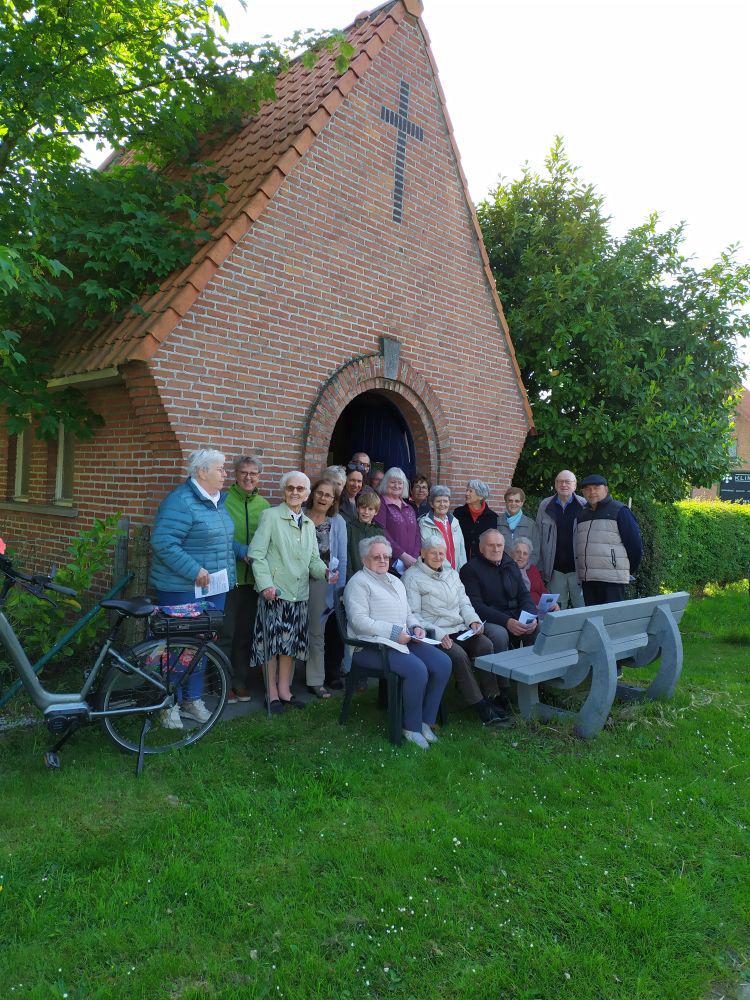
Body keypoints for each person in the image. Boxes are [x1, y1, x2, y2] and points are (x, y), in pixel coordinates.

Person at [150, 448, 235, 729]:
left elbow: (219, 541)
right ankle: (167, 704)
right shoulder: (181, 502)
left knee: (201, 647)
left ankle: (192, 700)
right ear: (201, 472)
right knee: (177, 647)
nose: (225, 474)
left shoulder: (217, 502)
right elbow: (163, 543)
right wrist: (194, 570)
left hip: (213, 588)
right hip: (182, 588)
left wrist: (245, 552)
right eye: (220, 469)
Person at [344, 536, 452, 749]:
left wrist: (415, 627)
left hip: (402, 640)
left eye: (386, 556)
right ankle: (410, 728)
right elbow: (359, 622)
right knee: (417, 669)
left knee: (442, 663)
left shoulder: (394, 580)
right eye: (377, 557)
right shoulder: (358, 583)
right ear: (365, 560)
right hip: (369, 646)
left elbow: (408, 613)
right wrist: (394, 633)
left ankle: (424, 721)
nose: (383, 560)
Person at [403, 536, 513, 727]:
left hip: (460, 628)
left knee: (486, 645)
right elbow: (413, 615)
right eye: (433, 552)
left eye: (441, 553)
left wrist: (473, 622)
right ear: (422, 553)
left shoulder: (451, 573)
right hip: (436, 634)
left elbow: (464, 602)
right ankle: (479, 705)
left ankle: (492, 697)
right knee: (459, 655)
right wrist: (437, 633)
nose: (438, 556)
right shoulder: (412, 577)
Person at [249, 471, 330, 713]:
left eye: (300, 489)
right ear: (284, 491)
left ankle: (284, 690)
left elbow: (314, 560)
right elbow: (256, 554)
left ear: (307, 494)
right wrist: (265, 585)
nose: (295, 493)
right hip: (274, 594)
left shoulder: (308, 524)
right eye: (290, 488)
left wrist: (325, 572)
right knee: (271, 647)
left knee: (290, 647)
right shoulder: (271, 516)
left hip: (299, 595)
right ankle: (271, 693)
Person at [219, 455, 270, 703]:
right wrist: (243, 551)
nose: (248, 477)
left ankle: (239, 681)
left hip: (253, 582)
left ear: (259, 476)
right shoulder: (223, 501)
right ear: (235, 475)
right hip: (230, 579)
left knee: (244, 635)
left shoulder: (264, 505)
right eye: (243, 472)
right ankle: (222, 683)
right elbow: (219, 539)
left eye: (254, 473)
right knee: (226, 633)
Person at [302, 478, 347, 698]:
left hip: (323, 583)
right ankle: (286, 681)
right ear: (313, 494)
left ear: (334, 500)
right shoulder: (300, 515)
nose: (323, 498)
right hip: (295, 580)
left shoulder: (337, 521)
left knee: (317, 632)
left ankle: (316, 680)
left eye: (328, 495)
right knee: (292, 629)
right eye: (320, 493)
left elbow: (343, 559)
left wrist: (339, 590)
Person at [460, 529, 538, 651]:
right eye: (490, 545)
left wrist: (530, 617)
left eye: (499, 545)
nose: (496, 549)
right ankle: (498, 670)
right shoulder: (470, 569)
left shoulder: (511, 564)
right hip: (491, 619)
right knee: (500, 634)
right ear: (481, 548)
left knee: (539, 626)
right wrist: (506, 622)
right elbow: (475, 605)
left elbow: (524, 595)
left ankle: (531, 667)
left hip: (515, 616)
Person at [575, 475, 643, 605]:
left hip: (612, 581)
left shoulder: (619, 510)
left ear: (606, 489)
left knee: (611, 622)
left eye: (596, 488)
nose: (592, 492)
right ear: (583, 492)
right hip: (588, 580)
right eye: (587, 489)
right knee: (592, 621)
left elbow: (635, 546)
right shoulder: (582, 514)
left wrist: (624, 570)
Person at [535, 469, 586, 609]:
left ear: (574, 485)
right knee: (556, 610)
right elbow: (538, 537)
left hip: (578, 571)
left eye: (568, 482)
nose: (564, 485)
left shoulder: (584, 505)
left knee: (582, 609)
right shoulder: (545, 505)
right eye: (560, 481)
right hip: (554, 571)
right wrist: (540, 568)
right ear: (555, 484)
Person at [374, 466, 422, 574]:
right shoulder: (380, 504)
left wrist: (413, 557)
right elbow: (381, 532)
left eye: (400, 483)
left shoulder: (409, 507)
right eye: (393, 482)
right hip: (390, 564)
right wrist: (403, 556)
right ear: (386, 483)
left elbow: (417, 534)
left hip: (411, 564)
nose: (396, 486)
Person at [418, 485, 467, 570]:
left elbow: (461, 550)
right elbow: (429, 550)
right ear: (432, 504)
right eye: (438, 501)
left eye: (445, 501)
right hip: (437, 572)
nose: (442, 504)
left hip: (456, 573)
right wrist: (447, 572)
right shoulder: (425, 523)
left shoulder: (455, 522)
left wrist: (463, 570)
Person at [452, 480, 500, 561]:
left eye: (470, 491)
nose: (466, 493)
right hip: (460, 561)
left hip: (483, 564)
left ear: (480, 496)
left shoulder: (492, 517)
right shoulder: (458, 513)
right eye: (466, 490)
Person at [509, 537, 558, 611]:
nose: (521, 556)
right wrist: (533, 607)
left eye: (525, 553)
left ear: (528, 557)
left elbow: (543, 591)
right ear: (512, 553)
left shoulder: (533, 569)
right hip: (523, 612)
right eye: (518, 552)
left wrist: (553, 603)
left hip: (541, 611)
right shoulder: (507, 571)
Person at [498, 488, 540, 564]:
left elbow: (535, 553)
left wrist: (525, 568)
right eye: (510, 500)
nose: (513, 504)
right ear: (506, 502)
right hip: (501, 569)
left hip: (523, 571)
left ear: (522, 503)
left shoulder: (531, 525)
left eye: (517, 501)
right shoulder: (497, 522)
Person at [347, 489, 383, 578]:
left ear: (376, 512)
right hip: (353, 576)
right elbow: (347, 555)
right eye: (363, 508)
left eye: (370, 509)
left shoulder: (379, 531)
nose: (366, 512)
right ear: (357, 509)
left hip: (374, 577)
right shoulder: (349, 528)